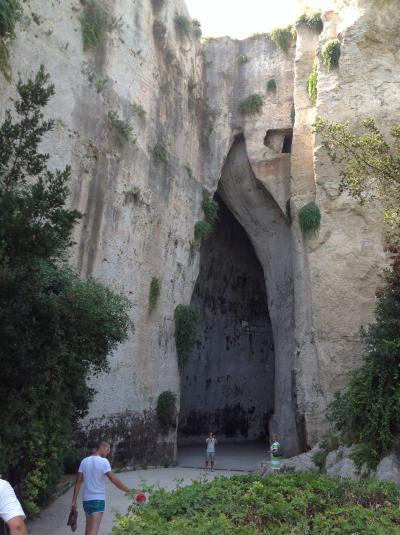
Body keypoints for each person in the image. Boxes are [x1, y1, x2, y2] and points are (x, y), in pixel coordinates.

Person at [71, 441, 133, 535]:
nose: (107, 453)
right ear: (102, 448)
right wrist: (127, 490)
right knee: (93, 532)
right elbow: (113, 479)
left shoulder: (84, 461)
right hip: (98, 501)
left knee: (88, 532)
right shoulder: (104, 462)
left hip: (86, 501)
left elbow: (78, 483)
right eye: (107, 450)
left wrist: (74, 501)